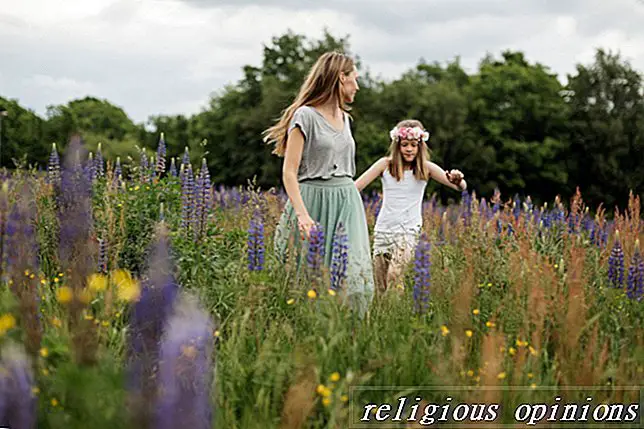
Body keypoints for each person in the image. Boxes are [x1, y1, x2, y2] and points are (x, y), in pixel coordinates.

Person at [263, 51, 374, 316]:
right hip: (312, 200)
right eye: (353, 79)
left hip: (347, 204)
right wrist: (302, 216)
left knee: (356, 278)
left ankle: (350, 336)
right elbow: (289, 172)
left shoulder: (346, 119)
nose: (357, 87)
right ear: (340, 78)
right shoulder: (305, 116)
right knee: (308, 278)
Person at [355, 119, 466, 293]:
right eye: (405, 144)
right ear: (397, 145)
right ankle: (385, 316)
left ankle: (392, 314)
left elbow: (459, 187)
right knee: (380, 284)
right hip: (384, 229)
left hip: (408, 231)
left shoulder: (426, 168)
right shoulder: (385, 165)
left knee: (394, 274)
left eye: (413, 145)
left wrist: (458, 180)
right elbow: (356, 187)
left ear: (419, 146)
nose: (409, 149)